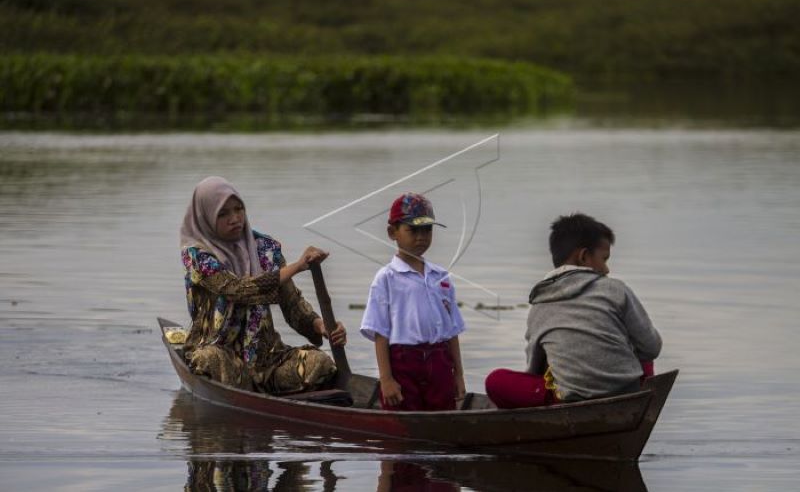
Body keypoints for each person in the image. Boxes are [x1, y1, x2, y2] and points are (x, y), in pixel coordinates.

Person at [179, 176, 346, 394]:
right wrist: (296, 266)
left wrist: (322, 326)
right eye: (223, 214)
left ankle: (263, 389)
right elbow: (238, 290)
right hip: (221, 354)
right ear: (205, 218)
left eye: (239, 209)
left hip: (267, 358)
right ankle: (247, 391)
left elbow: (292, 303)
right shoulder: (197, 257)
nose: (235, 218)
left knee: (319, 362)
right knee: (209, 360)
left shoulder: (266, 249)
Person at [485, 213, 661, 409]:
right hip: (627, 392)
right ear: (584, 256)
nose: (607, 269)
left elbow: (534, 368)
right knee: (642, 350)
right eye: (604, 259)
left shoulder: (540, 304)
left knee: (495, 381)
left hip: (571, 399)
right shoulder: (616, 289)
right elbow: (652, 347)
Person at [360, 192, 466, 411]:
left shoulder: (441, 276)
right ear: (393, 232)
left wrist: (459, 375)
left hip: (439, 361)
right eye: (413, 230)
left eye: (427, 230)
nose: (421, 237)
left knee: (444, 417)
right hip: (403, 362)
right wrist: (386, 379)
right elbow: (380, 333)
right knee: (403, 419)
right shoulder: (386, 278)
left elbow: (451, 330)